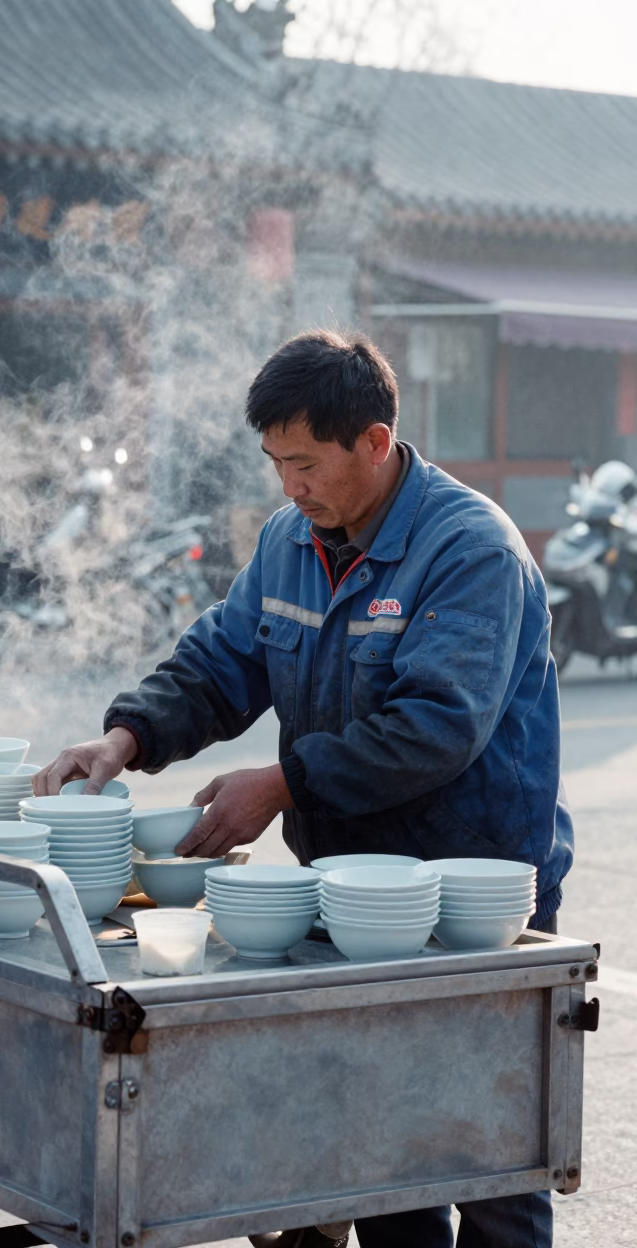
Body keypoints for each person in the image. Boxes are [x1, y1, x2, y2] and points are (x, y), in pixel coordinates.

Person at [34, 329, 574, 1248]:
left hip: (472, 900)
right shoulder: (292, 539)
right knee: (379, 1150)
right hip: (348, 890)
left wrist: (281, 783)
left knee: (482, 1149)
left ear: (374, 440)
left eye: (307, 463)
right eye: (276, 464)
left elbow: (437, 727)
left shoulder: (468, 549)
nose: (290, 486)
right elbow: (221, 663)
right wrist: (124, 738)